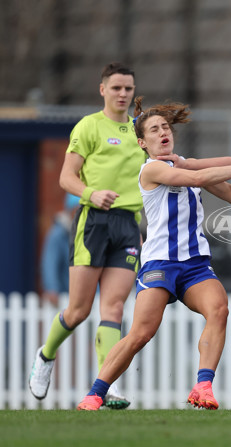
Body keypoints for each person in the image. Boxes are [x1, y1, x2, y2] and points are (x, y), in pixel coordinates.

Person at [76, 97, 231, 410]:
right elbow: (199, 176)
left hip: (194, 265)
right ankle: (95, 393)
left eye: (166, 127)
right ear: (143, 142)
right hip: (160, 264)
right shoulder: (152, 170)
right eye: (154, 130)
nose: (163, 132)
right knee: (141, 333)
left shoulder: (185, 164)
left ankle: (203, 386)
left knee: (219, 310)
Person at [29, 62, 146, 409]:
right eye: (116, 88)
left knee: (113, 308)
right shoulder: (89, 126)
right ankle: (46, 355)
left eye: (128, 89)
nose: (123, 94)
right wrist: (91, 194)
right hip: (93, 221)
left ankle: (104, 386)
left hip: (127, 225)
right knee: (78, 310)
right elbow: (66, 178)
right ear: (103, 90)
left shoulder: (140, 132)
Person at [40, 193, 80, 306]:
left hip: (91, 297)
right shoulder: (58, 234)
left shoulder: (91, 233)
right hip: (64, 297)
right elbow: (49, 263)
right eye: (77, 210)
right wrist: (52, 288)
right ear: (70, 210)